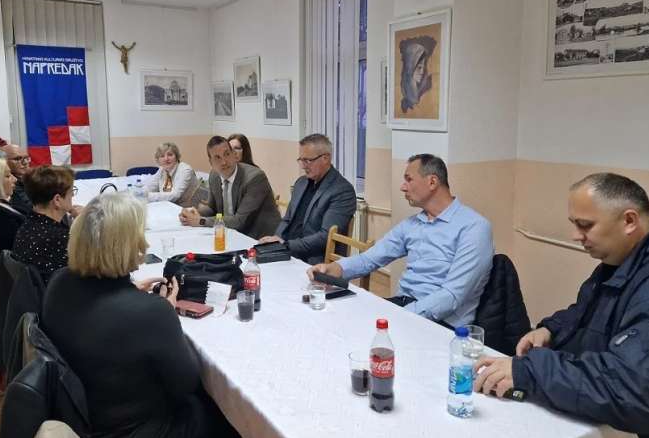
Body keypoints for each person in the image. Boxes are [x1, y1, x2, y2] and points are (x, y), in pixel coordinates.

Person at [474, 173, 649, 438]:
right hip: (597, 421)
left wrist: (532, 371)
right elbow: (586, 311)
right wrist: (551, 329)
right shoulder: (624, 259)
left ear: (629, 221)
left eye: (585, 225)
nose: (576, 235)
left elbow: (636, 391)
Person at [42, 193, 245, 438]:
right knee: (233, 419)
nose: (145, 245)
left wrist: (132, 294)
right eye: (139, 237)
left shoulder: (59, 282)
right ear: (127, 246)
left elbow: (103, 315)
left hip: (80, 423)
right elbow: (186, 384)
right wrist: (163, 312)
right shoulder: (150, 313)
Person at [307, 154, 494, 327]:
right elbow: (369, 258)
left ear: (432, 182)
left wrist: (400, 316)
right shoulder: (413, 224)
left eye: (409, 179)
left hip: (442, 324)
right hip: (405, 307)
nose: (403, 187)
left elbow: (452, 296)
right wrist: (335, 269)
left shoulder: (474, 227)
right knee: (334, 320)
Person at [259, 133, 356, 264]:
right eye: (301, 160)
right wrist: (276, 240)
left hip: (314, 260)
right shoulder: (301, 183)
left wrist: (286, 245)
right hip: (287, 251)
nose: (303, 166)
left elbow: (325, 237)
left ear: (325, 158)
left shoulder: (342, 191)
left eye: (308, 161)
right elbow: (287, 219)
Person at [179, 136, 280, 240]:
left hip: (260, 238)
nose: (224, 162)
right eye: (217, 158)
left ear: (234, 155)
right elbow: (212, 209)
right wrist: (194, 213)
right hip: (231, 234)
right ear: (211, 163)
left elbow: (239, 221)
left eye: (227, 154)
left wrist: (201, 221)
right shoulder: (214, 175)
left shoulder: (255, 178)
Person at [12, 166, 76, 284]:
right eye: (71, 192)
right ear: (57, 200)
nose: (72, 196)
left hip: (28, 291)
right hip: (52, 294)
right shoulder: (60, 237)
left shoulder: (28, 223)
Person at [146, 142, 202, 207]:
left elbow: (175, 195)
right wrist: (140, 193)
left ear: (176, 157)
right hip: (168, 206)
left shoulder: (185, 170)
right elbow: (150, 187)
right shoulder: (162, 170)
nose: (166, 159)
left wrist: (147, 196)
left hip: (187, 208)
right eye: (162, 156)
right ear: (158, 160)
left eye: (170, 155)